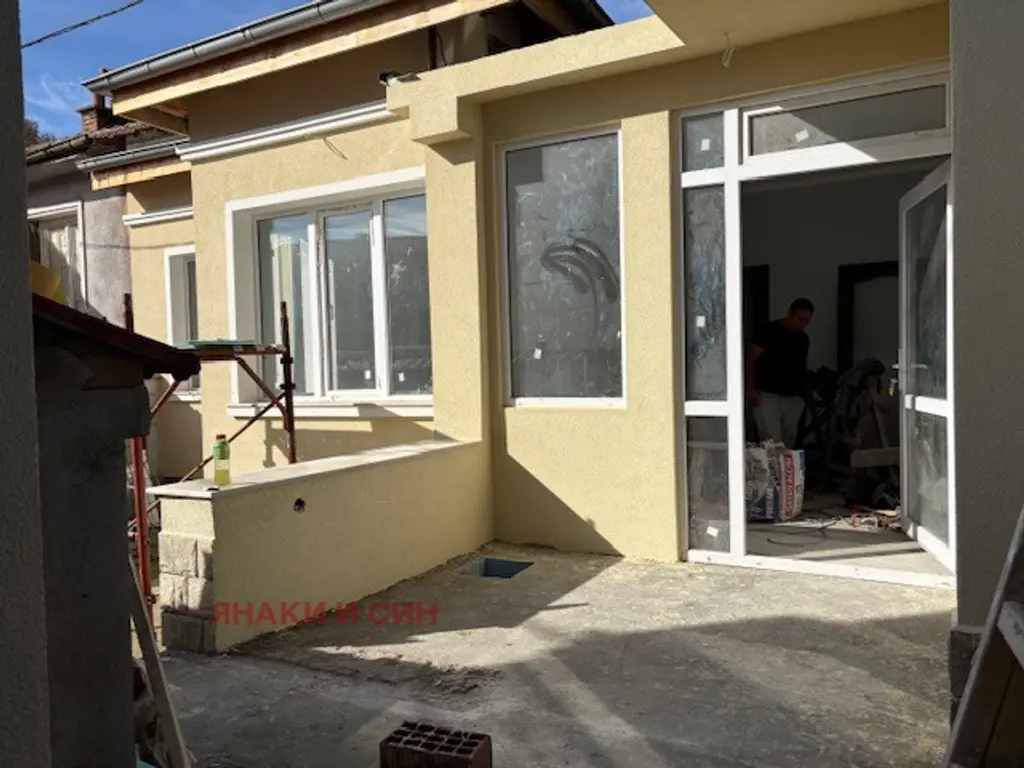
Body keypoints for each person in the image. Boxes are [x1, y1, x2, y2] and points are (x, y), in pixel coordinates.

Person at [747, 297, 814, 448]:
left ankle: (785, 464)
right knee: (771, 440)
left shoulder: (803, 338)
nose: (803, 324)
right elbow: (749, 359)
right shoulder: (769, 331)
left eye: (806, 320)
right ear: (790, 314)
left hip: (793, 396)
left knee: (789, 439)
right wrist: (750, 389)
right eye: (800, 319)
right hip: (768, 394)